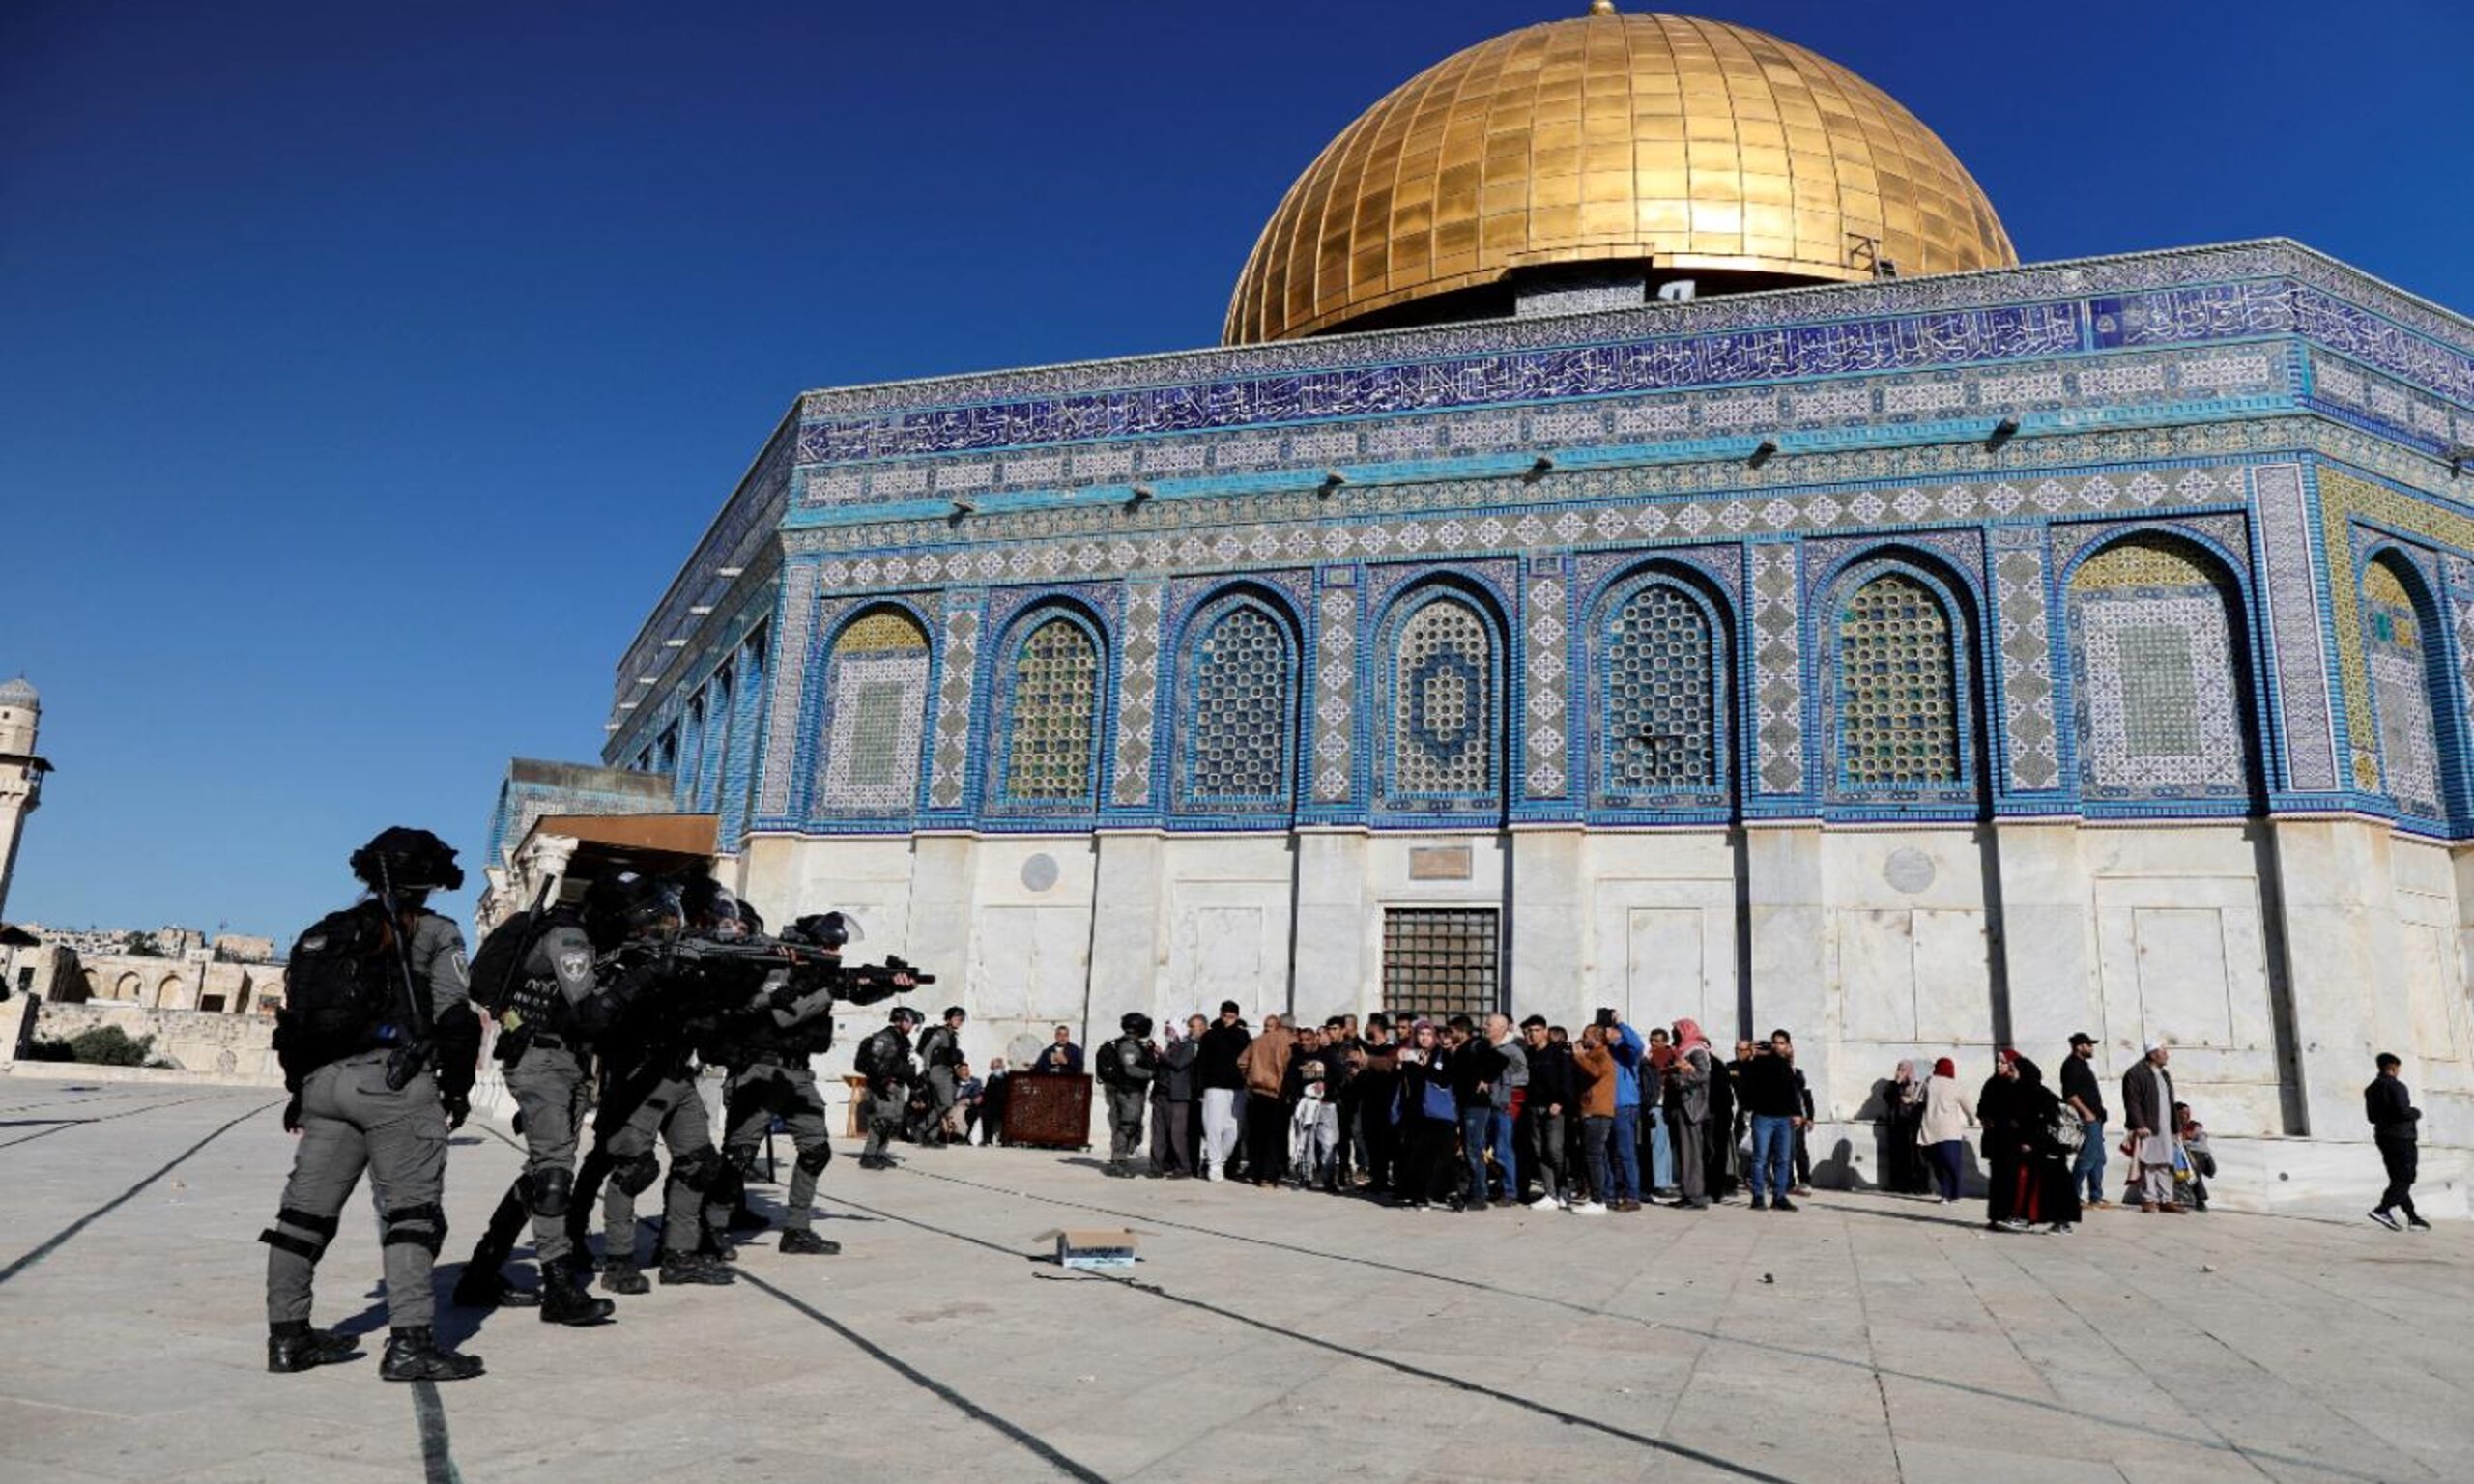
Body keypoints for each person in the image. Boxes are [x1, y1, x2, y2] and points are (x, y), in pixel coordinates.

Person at [261, 827, 485, 1381]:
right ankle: (410, 1346)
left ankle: (288, 1339)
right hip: (392, 1082)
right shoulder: (437, 932)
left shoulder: (325, 933)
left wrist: (299, 1093)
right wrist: (455, 1088)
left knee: (302, 1217)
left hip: (324, 1085)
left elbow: (295, 1022)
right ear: (429, 880)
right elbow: (455, 1015)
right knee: (412, 1214)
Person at [450, 896, 618, 1327]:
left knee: (541, 1172)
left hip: (566, 1064)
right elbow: (587, 1008)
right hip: (544, 1062)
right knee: (553, 1176)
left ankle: (480, 1272)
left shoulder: (566, 937)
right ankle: (559, 1288)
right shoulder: (568, 937)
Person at [584, 874, 737, 1294]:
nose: (667, 925)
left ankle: (679, 1256)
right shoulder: (616, 962)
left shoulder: (680, 957)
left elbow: (704, 1012)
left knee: (699, 1162)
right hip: (636, 1075)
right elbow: (600, 1017)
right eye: (657, 920)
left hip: (677, 1073)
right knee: (633, 1169)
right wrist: (652, 974)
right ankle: (618, 1260)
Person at [716, 911, 893, 1256]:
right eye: (828, 944)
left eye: (838, 945)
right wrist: (830, 990)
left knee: (816, 1150)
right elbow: (784, 1015)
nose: (835, 951)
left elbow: (855, 993)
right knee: (740, 1153)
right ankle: (713, 1227)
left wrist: (887, 985)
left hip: (798, 1074)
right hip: (762, 1069)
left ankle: (797, 1230)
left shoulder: (820, 972)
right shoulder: (779, 965)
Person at [1997, 1056, 2081, 1233]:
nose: (2009, 1073)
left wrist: (2031, 1142)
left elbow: (2043, 1120)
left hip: (2048, 1147)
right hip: (2042, 1147)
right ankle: (2029, 1218)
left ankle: (2057, 1222)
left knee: (2052, 1184)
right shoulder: (2023, 1090)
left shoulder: (2034, 1092)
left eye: (2013, 1070)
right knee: (2038, 1184)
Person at [1393, 1020, 1459, 1210]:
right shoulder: (1410, 1055)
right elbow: (1407, 1084)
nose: (1424, 1038)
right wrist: (1402, 1062)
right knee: (1418, 1155)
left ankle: (1447, 1191)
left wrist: (1426, 1066)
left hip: (1441, 1113)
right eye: (1421, 1034)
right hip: (1417, 1113)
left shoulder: (1443, 1054)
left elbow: (1445, 1080)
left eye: (1428, 1034)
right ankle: (1418, 1195)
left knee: (1444, 1154)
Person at [1740, 1028, 1806, 1212]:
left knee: (1784, 1159)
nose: (1778, 1046)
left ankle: (1779, 1197)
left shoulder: (1787, 1064)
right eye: (1775, 1042)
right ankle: (1758, 1198)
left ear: (1788, 1046)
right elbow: (1746, 1082)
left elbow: (1795, 1090)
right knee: (1760, 1159)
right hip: (1763, 1117)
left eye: (1782, 1043)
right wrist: (1749, 1056)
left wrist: (1798, 1114)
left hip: (1784, 1119)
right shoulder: (1759, 1062)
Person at [1447, 1015, 1506, 1210]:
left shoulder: (1477, 1045)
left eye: (1451, 1031)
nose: (1449, 1035)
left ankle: (1479, 1196)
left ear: (1461, 1031)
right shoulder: (1463, 1049)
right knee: (1468, 1147)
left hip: (1476, 1105)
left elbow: (1500, 1061)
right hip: (1465, 1104)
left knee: (1473, 1149)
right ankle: (1472, 1191)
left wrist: (1487, 1079)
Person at [2366, 1053, 2430, 1231]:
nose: (2399, 1071)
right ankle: (2382, 1210)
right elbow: (2403, 1112)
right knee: (2405, 1178)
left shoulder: (2371, 1089)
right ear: (2392, 1068)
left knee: (2398, 1179)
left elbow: (2371, 1118)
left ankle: (2413, 1218)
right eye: (2398, 1068)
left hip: (2383, 1137)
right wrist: (2415, 1113)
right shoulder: (2397, 1086)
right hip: (2402, 1138)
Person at [2121, 1042, 2183, 1213]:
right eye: (2164, 1052)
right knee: (2149, 1162)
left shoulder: (2164, 1074)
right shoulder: (2135, 1073)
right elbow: (2131, 1101)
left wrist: (2176, 1127)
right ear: (2153, 1054)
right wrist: (2139, 1125)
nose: (2167, 1055)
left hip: (2165, 1126)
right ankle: (2149, 1199)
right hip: (2148, 1126)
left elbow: (2170, 1103)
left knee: (2164, 1162)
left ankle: (2166, 1199)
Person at [856, 1007, 921, 1170]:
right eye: (910, 1022)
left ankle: (880, 1154)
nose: (912, 1026)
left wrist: (915, 1084)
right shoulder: (884, 1037)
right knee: (881, 1121)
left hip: (897, 1086)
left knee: (892, 1122)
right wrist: (882, 1081)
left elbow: (905, 1064)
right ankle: (868, 1156)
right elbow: (873, 1062)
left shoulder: (903, 1040)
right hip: (883, 1086)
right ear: (900, 1020)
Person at [1520, 1015, 1574, 1210]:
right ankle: (1550, 1193)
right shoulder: (1529, 1054)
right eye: (1528, 1031)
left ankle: (1563, 1188)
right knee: (1539, 1150)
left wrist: (1560, 1101)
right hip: (1533, 1107)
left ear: (1545, 1031)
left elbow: (1567, 1079)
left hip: (1553, 1108)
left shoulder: (1558, 1052)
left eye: (1535, 1030)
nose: (1531, 1034)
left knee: (1554, 1150)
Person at [1238, 1013, 1295, 1186]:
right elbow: (1290, 1067)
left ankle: (1256, 1172)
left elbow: (1241, 1062)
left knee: (1257, 1134)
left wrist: (1249, 1079)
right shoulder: (1289, 1042)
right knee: (1274, 1136)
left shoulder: (1258, 1040)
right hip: (1278, 1094)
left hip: (1257, 1092)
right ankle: (1269, 1176)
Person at [1196, 1001, 1251, 1182]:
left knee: (1233, 1130)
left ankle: (1219, 1161)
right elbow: (1201, 1063)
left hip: (1237, 1089)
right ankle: (1214, 1166)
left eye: (1232, 1017)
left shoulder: (1243, 1035)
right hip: (1214, 1088)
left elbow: (1248, 1058)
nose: (1228, 1020)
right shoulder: (1210, 1036)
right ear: (1220, 1014)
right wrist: (1200, 1089)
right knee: (1213, 1128)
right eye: (1225, 1016)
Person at [1665, 1018, 1714, 1209]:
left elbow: (1702, 1075)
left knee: (1691, 1153)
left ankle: (1695, 1196)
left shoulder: (1697, 1050)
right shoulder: (1684, 1050)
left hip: (1691, 1108)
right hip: (1681, 1107)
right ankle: (1687, 1192)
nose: (1673, 1035)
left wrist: (1679, 1077)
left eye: (1676, 1032)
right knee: (1684, 1154)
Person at [1570, 1022, 1618, 1215]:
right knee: (1594, 1156)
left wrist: (1579, 1056)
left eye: (1586, 1035)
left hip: (1598, 1112)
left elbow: (1596, 1072)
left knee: (1594, 1156)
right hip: (1588, 1110)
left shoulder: (1602, 1054)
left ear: (1596, 1037)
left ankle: (1598, 1200)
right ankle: (1597, 1196)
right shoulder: (1593, 1055)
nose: (1582, 1038)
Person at [2059, 1032, 2110, 1209]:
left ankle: (2096, 1196)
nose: (2091, 1048)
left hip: (2096, 1117)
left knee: (2099, 1159)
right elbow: (2070, 1095)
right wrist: (2086, 1112)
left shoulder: (2082, 1065)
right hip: (2087, 1119)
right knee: (2087, 1158)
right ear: (2079, 1046)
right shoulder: (2071, 1065)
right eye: (2089, 1045)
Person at [1601, 1012, 1646, 1212]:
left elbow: (1638, 1045)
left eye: (1609, 1030)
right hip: (1604, 1106)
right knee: (1607, 1153)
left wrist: (1621, 1025)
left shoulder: (1626, 1051)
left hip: (1624, 1106)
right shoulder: (1602, 1050)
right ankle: (1609, 1193)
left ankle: (1632, 1196)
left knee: (1626, 1153)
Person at [1353, 1014, 1400, 1196]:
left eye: (1368, 1025)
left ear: (1375, 1027)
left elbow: (1386, 1070)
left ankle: (1388, 1180)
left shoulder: (1390, 1050)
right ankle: (1377, 1179)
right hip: (1368, 1102)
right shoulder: (1369, 1048)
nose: (1366, 1028)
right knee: (1370, 1141)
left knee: (1384, 1143)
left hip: (1384, 1103)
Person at [1917, 1056, 1972, 1203]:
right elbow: (1967, 1106)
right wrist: (1973, 1119)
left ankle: (1945, 1194)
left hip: (1930, 1131)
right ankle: (1953, 1194)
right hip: (1950, 1131)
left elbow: (1917, 1100)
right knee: (1952, 1165)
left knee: (1939, 1165)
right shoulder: (1956, 1085)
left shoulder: (1928, 1081)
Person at [1151, 1016, 1201, 1176]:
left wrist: (1161, 1055)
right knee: (1159, 1134)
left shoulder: (1188, 1046)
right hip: (1161, 1095)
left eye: (1170, 1030)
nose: (1168, 1033)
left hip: (1178, 1097)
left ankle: (1183, 1168)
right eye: (1166, 1030)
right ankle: (1156, 1167)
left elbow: (1178, 1065)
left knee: (1177, 1134)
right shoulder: (1169, 1047)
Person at [1484, 1013, 1526, 1206]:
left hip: (1504, 1106)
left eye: (1490, 1025)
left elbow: (1522, 1077)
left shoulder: (1512, 1051)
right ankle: (1498, 1187)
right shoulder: (1486, 1049)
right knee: (1490, 1150)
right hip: (1488, 1106)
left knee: (1504, 1150)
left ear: (1502, 1028)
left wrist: (1498, 1084)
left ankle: (1510, 1192)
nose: (1486, 1027)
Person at [1978, 1050, 2023, 1229]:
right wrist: (1986, 1120)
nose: (1998, 1065)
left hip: (2013, 1140)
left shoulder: (2017, 1084)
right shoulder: (1991, 1083)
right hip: (1996, 1139)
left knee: (2011, 1178)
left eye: (2003, 1062)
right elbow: (1981, 1108)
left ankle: (2012, 1215)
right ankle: (1997, 1216)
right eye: (1997, 1061)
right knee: (1998, 1178)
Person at [912, 1006, 967, 1144]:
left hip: (947, 1072)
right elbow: (928, 1050)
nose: (959, 1021)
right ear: (948, 1018)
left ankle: (931, 1136)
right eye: (956, 1018)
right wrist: (924, 1070)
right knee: (946, 1104)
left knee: (939, 1105)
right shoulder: (942, 1033)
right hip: (937, 1071)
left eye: (961, 1019)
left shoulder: (952, 1035)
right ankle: (922, 1128)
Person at [1287, 1057, 1340, 1190]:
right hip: (1306, 1103)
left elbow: (1339, 1075)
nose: (1304, 1042)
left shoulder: (1330, 1054)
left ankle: (1328, 1180)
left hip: (1327, 1103)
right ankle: (1306, 1177)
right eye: (1302, 1039)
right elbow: (1292, 1079)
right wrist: (1296, 1099)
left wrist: (1325, 1084)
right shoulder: (1297, 1055)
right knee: (1305, 1142)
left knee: (1328, 1143)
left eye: (1308, 1039)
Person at [1643, 1027, 1678, 1198]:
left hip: (1662, 1106)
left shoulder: (1661, 1055)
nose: (1653, 1043)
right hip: (1656, 1106)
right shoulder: (1652, 1057)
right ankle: (1661, 1183)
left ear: (1665, 1041)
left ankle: (1663, 1182)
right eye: (1652, 1040)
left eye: (1657, 1040)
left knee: (1662, 1145)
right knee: (1660, 1145)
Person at [1882, 1060, 1925, 1195]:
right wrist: (1896, 1083)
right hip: (1897, 1125)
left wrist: (1912, 1101)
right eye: (1899, 1069)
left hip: (1913, 1126)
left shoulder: (1918, 1085)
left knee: (1915, 1156)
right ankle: (1898, 1185)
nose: (1900, 1072)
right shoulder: (1892, 1085)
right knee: (1897, 1155)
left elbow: (1923, 1103)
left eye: (1904, 1069)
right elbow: (1887, 1097)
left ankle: (1918, 1186)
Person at [2172, 1101, 2215, 1213]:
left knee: (2194, 1166)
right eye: (2182, 1114)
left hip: (2196, 1159)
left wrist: (2184, 1143)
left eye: (2187, 1113)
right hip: (2178, 1159)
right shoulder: (2169, 1126)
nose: (2185, 1116)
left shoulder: (2194, 1127)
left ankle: (2200, 1199)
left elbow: (2203, 1146)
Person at [978, 1056, 1011, 1146]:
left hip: (1005, 1105)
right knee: (986, 1112)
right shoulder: (991, 1078)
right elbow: (987, 1093)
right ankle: (987, 1138)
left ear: (1003, 1067)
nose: (997, 1068)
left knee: (1007, 1113)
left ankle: (1005, 1139)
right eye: (994, 1067)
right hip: (992, 1104)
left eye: (999, 1066)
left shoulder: (1008, 1078)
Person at [949, 1062, 985, 1143]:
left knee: (959, 1112)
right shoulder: (953, 1083)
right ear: (957, 1073)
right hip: (953, 1106)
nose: (967, 1072)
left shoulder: (975, 1082)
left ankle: (961, 1135)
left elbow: (977, 1096)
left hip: (967, 1106)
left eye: (967, 1070)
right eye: (963, 1070)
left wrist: (969, 1100)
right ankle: (958, 1135)